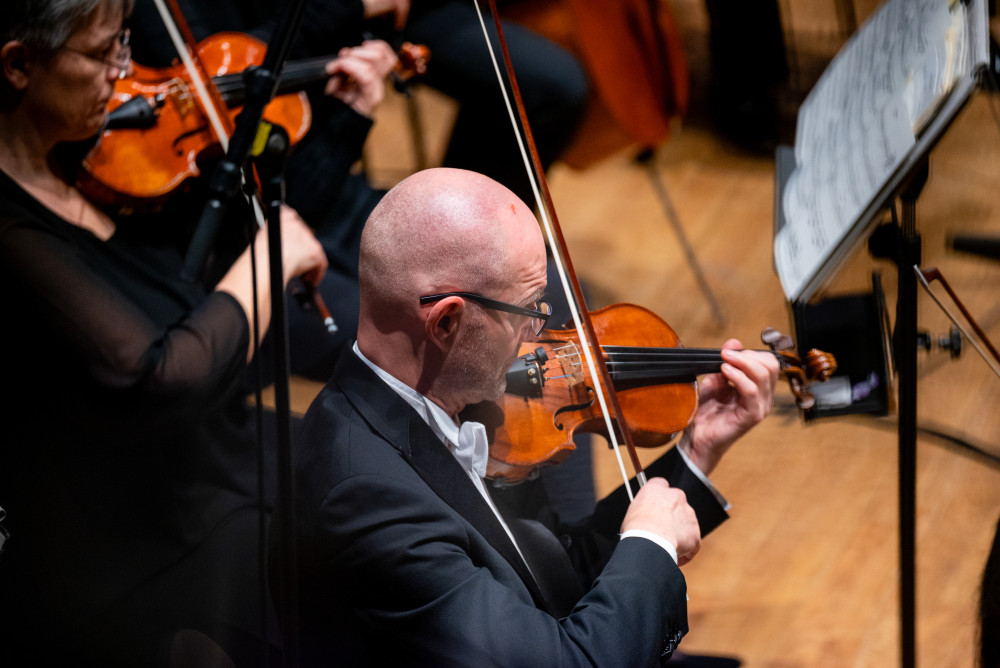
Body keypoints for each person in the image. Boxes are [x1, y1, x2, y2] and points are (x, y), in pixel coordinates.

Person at [288, 167, 780, 665]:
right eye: (529, 311)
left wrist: (698, 450)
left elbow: (552, 574)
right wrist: (651, 544)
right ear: (447, 322)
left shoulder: (456, 402)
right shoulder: (369, 503)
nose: (540, 340)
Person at [0, 0, 329, 664]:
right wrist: (267, 265)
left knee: (388, 474)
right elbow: (153, 374)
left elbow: (186, 295)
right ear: (17, 65)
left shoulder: (84, 160)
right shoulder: (10, 228)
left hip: (207, 455)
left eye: (126, 42)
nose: (124, 73)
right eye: (103, 54)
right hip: (129, 534)